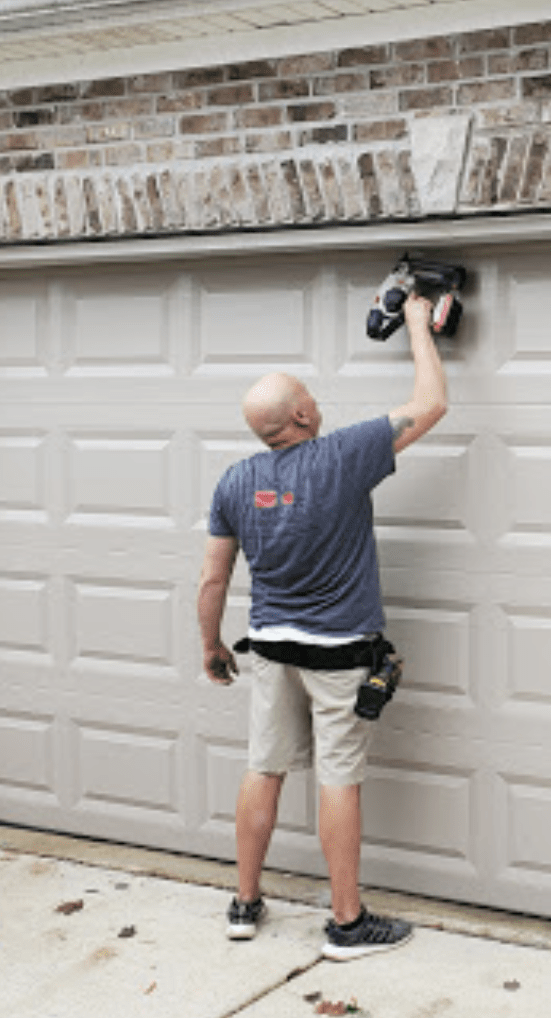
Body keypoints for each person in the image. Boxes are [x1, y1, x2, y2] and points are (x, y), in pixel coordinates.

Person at [197, 291, 446, 961]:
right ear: (302, 414)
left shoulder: (235, 481)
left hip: (271, 648)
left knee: (264, 766)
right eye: (308, 393)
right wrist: (420, 326)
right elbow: (431, 404)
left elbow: (213, 579)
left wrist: (211, 644)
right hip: (340, 654)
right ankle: (346, 923)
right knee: (338, 777)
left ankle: (245, 905)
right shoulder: (342, 455)